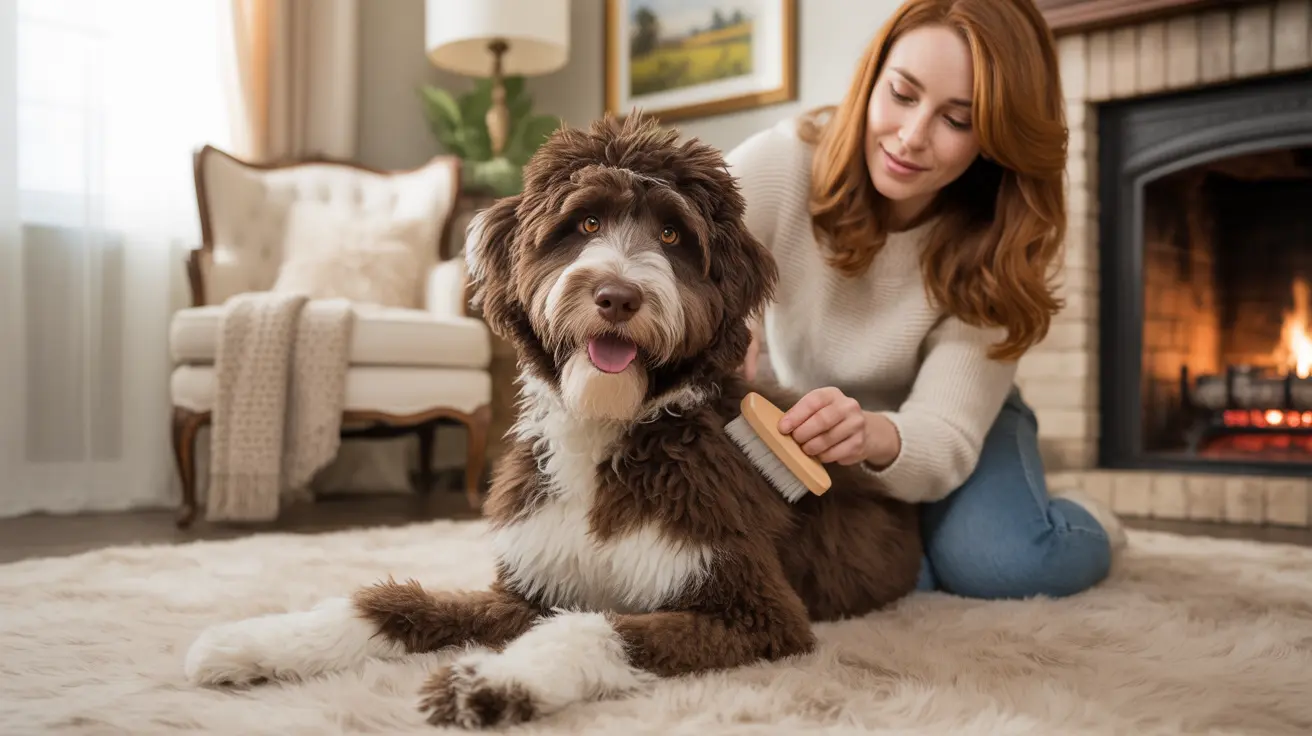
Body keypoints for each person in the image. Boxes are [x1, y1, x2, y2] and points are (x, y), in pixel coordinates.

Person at [726, 0, 1125, 600]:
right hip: (816, 422)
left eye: (956, 120)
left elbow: (945, 434)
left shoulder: (996, 247)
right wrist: (726, 316)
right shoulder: (782, 164)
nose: (911, 138)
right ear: (873, 77)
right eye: (903, 94)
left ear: (993, 138)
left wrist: (870, 434)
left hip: (950, 419)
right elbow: (679, 239)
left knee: (1003, 564)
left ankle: (1086, 522)